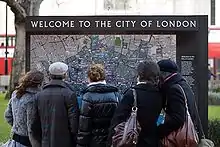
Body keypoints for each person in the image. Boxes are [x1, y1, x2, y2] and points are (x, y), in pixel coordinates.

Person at [109, 60, 163, 147]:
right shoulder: (160, 95)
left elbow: (117, 121)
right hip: (152, 141)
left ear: (139, 75)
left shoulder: (131, 94)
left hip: (133, 141)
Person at [31, 62, 79, 147]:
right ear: (65, 75)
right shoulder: (69, 94)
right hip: (65, 142)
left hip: (45, 142)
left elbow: (34, 123)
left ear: (50, 75)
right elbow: (74, 124)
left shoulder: (39, 95)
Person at [76, 64, 120, 147]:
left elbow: (84, 126)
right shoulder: (115, 95)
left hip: (93, 141)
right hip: (111, 140)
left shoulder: (87, 96)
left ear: (89, 78)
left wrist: (81, 144)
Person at [157, 59, 200, 139]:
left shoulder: (173, 89)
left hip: (177, 139)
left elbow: (177, 118)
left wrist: (158, 130)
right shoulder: (182, 84)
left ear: (162, 74)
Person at [4, 70, 44, 147]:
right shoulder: (33, 98)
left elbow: (8, 115)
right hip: (28, 141)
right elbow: (31, 128)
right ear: (39, 83)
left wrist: (17, 126)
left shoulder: (16, 93)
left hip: (15, 140)